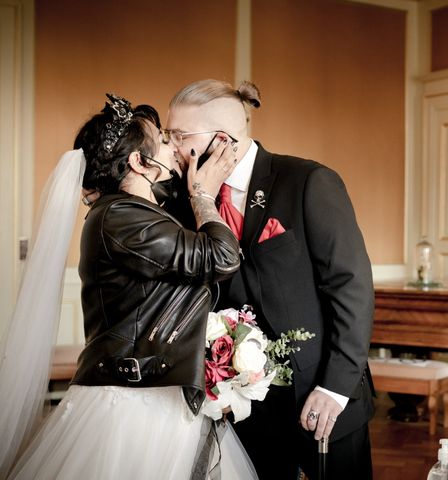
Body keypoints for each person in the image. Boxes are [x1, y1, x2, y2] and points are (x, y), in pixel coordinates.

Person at [1, 94, 258, 479]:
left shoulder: (136, 211)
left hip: (154, 389)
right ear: (139, 162)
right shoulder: (121, 216)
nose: (175, 146)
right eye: (164, 139)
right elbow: (221, 257)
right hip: (132, 402)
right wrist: (203, 192)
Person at [166, 79, 376, 480]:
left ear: (221, 139)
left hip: (322, 395)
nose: (172, 145)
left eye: (180, 135)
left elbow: (352, 287)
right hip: (241, 409)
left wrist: (335, 388)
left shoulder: (308, 181)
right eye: (169, 134)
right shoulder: (185, 199)